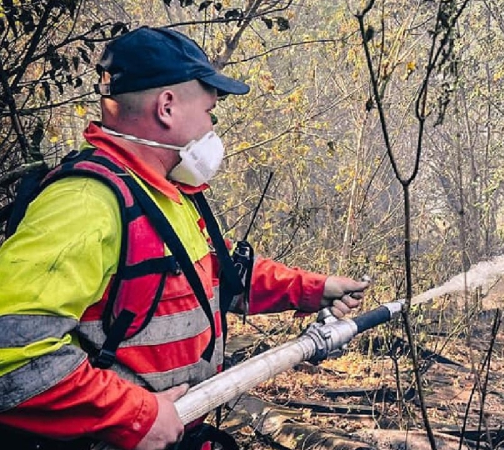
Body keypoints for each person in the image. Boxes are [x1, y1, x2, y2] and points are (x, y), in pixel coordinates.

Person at [0, 26, 368, 450]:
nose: (212, 125)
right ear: (168, 107)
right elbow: (13, 353)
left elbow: (215, 275)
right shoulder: (85, 204)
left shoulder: (163, 193)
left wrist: (311, 289)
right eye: (211, 111)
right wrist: (135, 416)